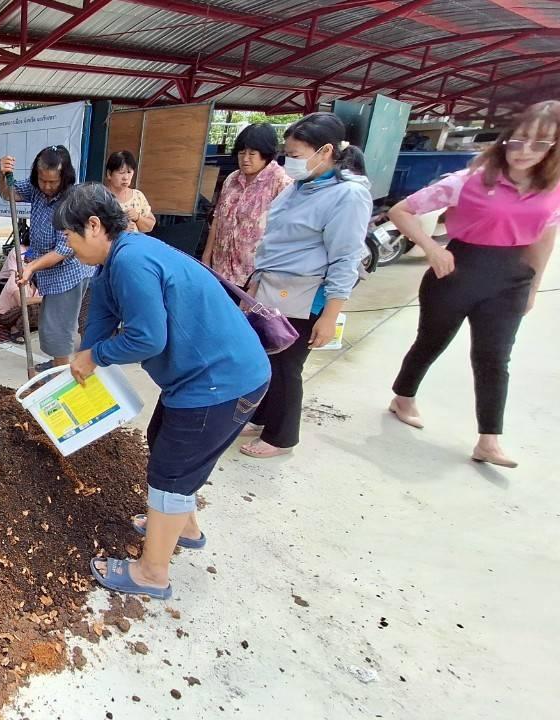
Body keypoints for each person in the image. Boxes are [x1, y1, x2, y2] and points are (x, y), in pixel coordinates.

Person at [57, 184, 269, 600]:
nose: (67, 246)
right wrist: (83, 356)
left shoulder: (132, 262)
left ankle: (152, 573)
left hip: (220, 383)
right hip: (201, 381)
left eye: (69, 236)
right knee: (163, 444)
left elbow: (147, 339)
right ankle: (185, 529)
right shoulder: (112, 265)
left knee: (171, 473)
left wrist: (96, 355)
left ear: (94, 226)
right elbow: (98, 322)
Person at [387, 100, 559, 468]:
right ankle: (403, 396)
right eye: (519, 139)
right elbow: (401, 210)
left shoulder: (552, 192)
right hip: (457, 270)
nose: (524, 150)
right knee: (432, 340)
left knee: (495, 356)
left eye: (539, 143)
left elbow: (545, 238)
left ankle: (489, 439)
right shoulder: (469, 180)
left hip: (510, 277)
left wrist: (533, 286)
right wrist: (432, 248)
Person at [239, 113, 372, 459]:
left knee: (287, 366)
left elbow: (345, 258)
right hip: (272, 288)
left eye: (296, 155)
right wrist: (255, 285)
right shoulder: (297, 189)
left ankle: (281, 438)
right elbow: (273, 242)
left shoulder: (347, 196)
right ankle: (263, 416)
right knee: (267, 358)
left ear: (325, 151)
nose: (289, 161)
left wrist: (330, 315)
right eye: (288, 154)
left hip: (305, 296)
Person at [0, 146, 91, 373]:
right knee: (56, 325)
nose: (47, 187)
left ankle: (62, 377)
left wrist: (31, 267)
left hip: (68, 273)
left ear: (65, 177)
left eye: (53, 182)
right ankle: (60, 364)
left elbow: (62, 250)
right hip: (48, 271)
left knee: (58, 328)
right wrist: (2, 174)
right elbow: (8, 193)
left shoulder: (72, 201)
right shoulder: (36, 189)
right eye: (42, 181)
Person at [200, 124, 294, 286]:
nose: (245, 159)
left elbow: (287, 234)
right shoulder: (232, 179)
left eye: (252, 154)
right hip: (221, 268)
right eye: (241, 153)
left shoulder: (281, 182)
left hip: (253, 275)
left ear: (266, 154)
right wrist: (206, 257)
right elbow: (217, 220)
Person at [0, 239, 42, 344]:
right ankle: (14, 329)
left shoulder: (34, 281)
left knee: (44, 308)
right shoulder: (16, 278)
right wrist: (44, 299)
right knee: (32, 307)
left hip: (20, 309)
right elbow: (22, 301)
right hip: (6, 315)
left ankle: (30, 325)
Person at [102, 150, 156, 233]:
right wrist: (118, 230)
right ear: (109, 174)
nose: (126, 177)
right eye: (121, 172)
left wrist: (138, 217)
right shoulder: (101, 197)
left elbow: (150, 226)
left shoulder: (138, 196)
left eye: (129, 172)